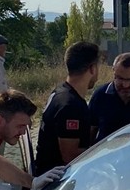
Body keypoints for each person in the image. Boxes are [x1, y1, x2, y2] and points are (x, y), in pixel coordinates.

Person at [34, 41, 101, 175]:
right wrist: (104, 151)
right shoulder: (70, 105)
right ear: (92, 69)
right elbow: (70, 156)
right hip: (57, 182)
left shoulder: (61, 92)